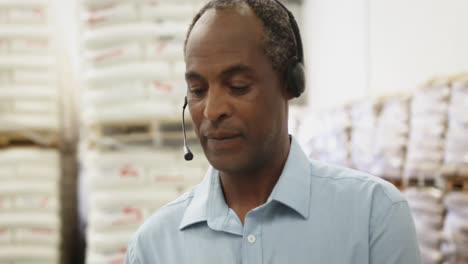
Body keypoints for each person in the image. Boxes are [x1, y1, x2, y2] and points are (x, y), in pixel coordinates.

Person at [125, 0, 421, 263]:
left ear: (291, 84)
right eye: (197, 90)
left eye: (238, 86)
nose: (213, 110)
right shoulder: (152, 246)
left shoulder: (374, 215)